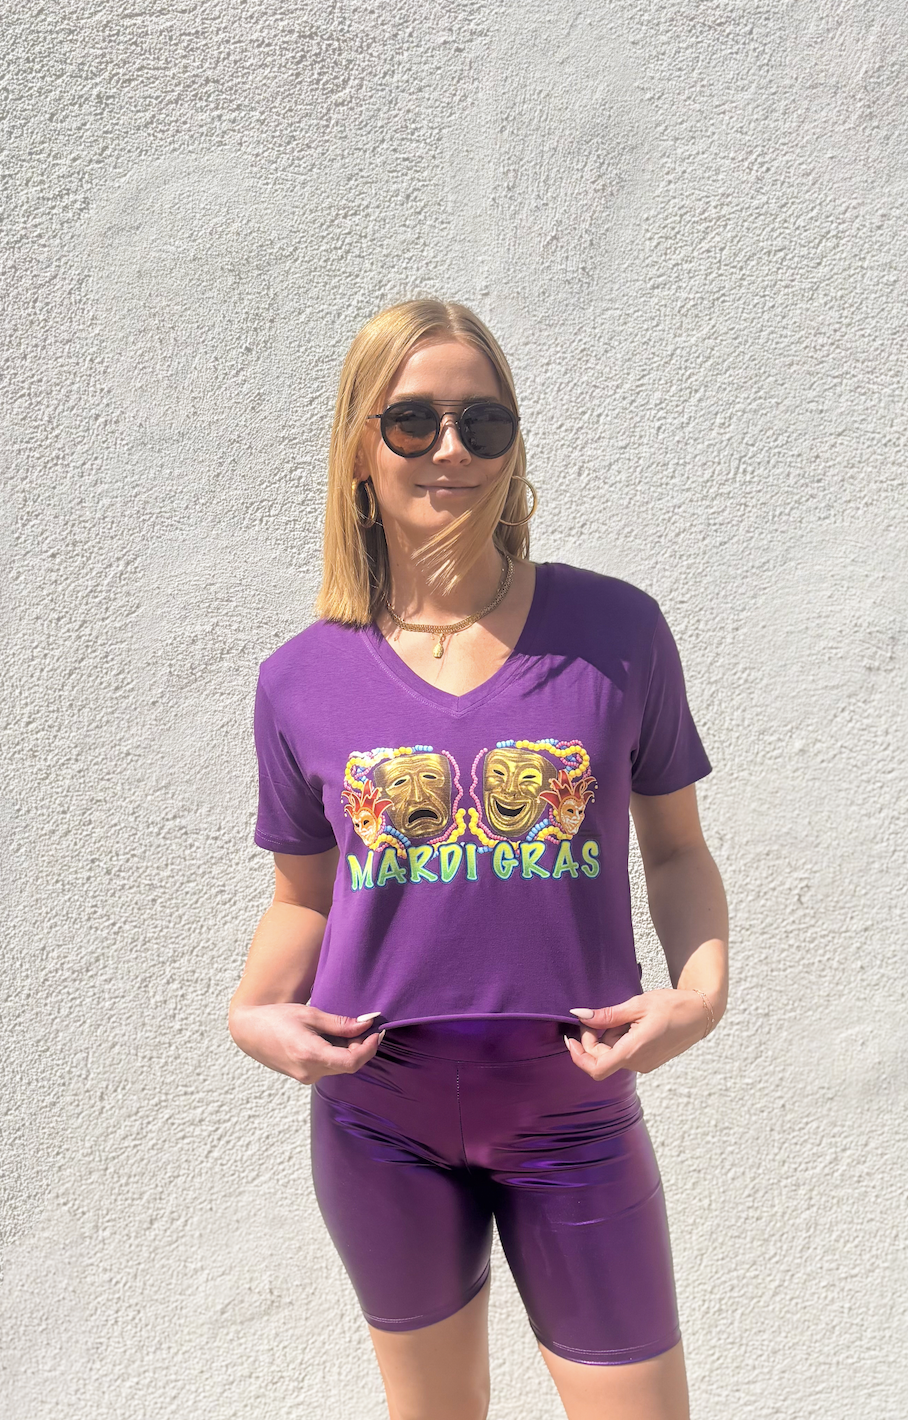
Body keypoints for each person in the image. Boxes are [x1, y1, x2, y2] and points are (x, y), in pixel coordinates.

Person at [228, 298, 729, 1420]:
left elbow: (677, 850)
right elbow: (303, 897)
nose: (450, 449)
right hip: (378, 1116)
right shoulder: (300, 679)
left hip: (574, 1109)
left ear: (512, 444)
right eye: (412, 421)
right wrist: (251, 1012)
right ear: (360, 450)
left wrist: (700, 994)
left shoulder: (616, 636)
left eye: (482, 421)